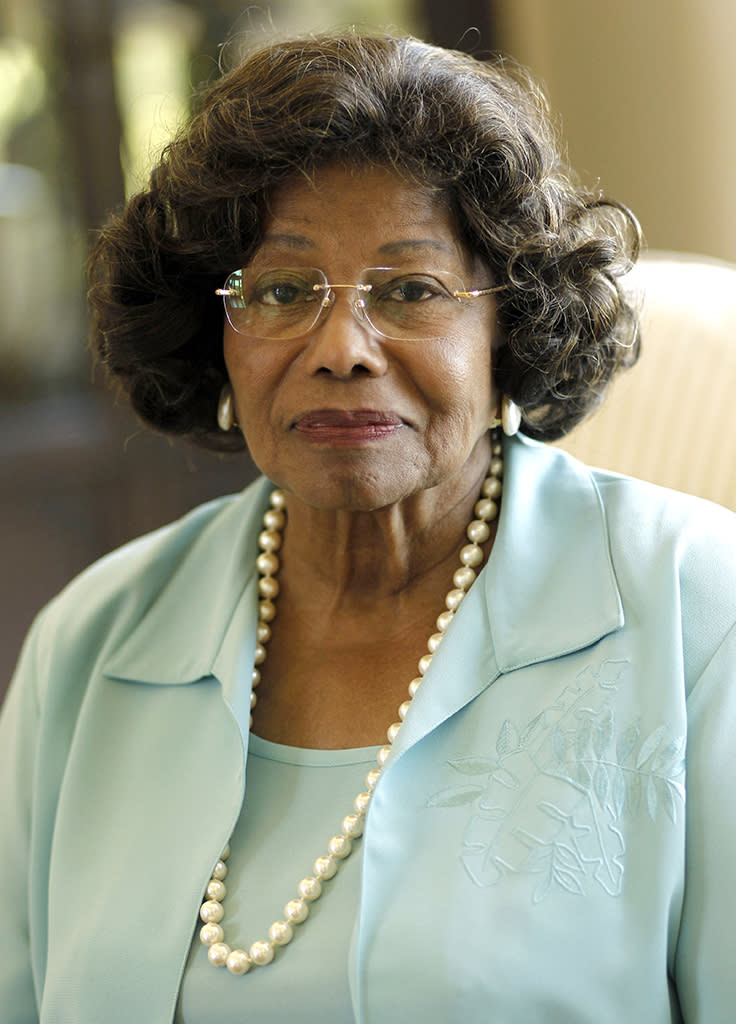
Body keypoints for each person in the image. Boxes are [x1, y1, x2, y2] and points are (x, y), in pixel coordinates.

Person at [1, 29, 735, 1024]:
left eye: (409, 290)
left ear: (506, 328)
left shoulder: (697, 611)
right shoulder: (92, 644)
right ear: (215, 335)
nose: (341, 346)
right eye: (281, 291)